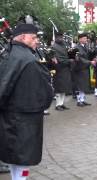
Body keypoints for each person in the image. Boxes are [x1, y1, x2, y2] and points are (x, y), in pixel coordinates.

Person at [0, 24, 53, 180]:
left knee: (14, 155)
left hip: (11, 115)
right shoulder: (28, 59)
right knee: (23, 157)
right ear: (23, 37)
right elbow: (44, 90)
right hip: (25, 117)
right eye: (34, 37)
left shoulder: (10, 53)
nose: (37, 41)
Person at [73, 33, 96, 107]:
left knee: (84, 85)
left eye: (86, 38)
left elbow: (88, 55)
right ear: (80, 39)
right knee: (80, 85)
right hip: (79, 69)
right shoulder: (76, 47)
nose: (86, 39)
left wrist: (93, 56)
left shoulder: (85, 46)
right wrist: (90, 62)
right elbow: (79, 58)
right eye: (84, 38)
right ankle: (79, 101)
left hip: (85, 68)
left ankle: (82, 100)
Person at [51, 32, 73, 110]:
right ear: (56, 38)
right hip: (59, 69)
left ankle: (62, 103)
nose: (61, 39)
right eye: (59, 37)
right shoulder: (54, 47)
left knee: (64, 87)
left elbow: (67, 55)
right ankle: (57, 105)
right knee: (59, 88)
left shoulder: (64, 45)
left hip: (66, 69)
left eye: (62, 37)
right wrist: (69, 61)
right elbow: (58, 58)